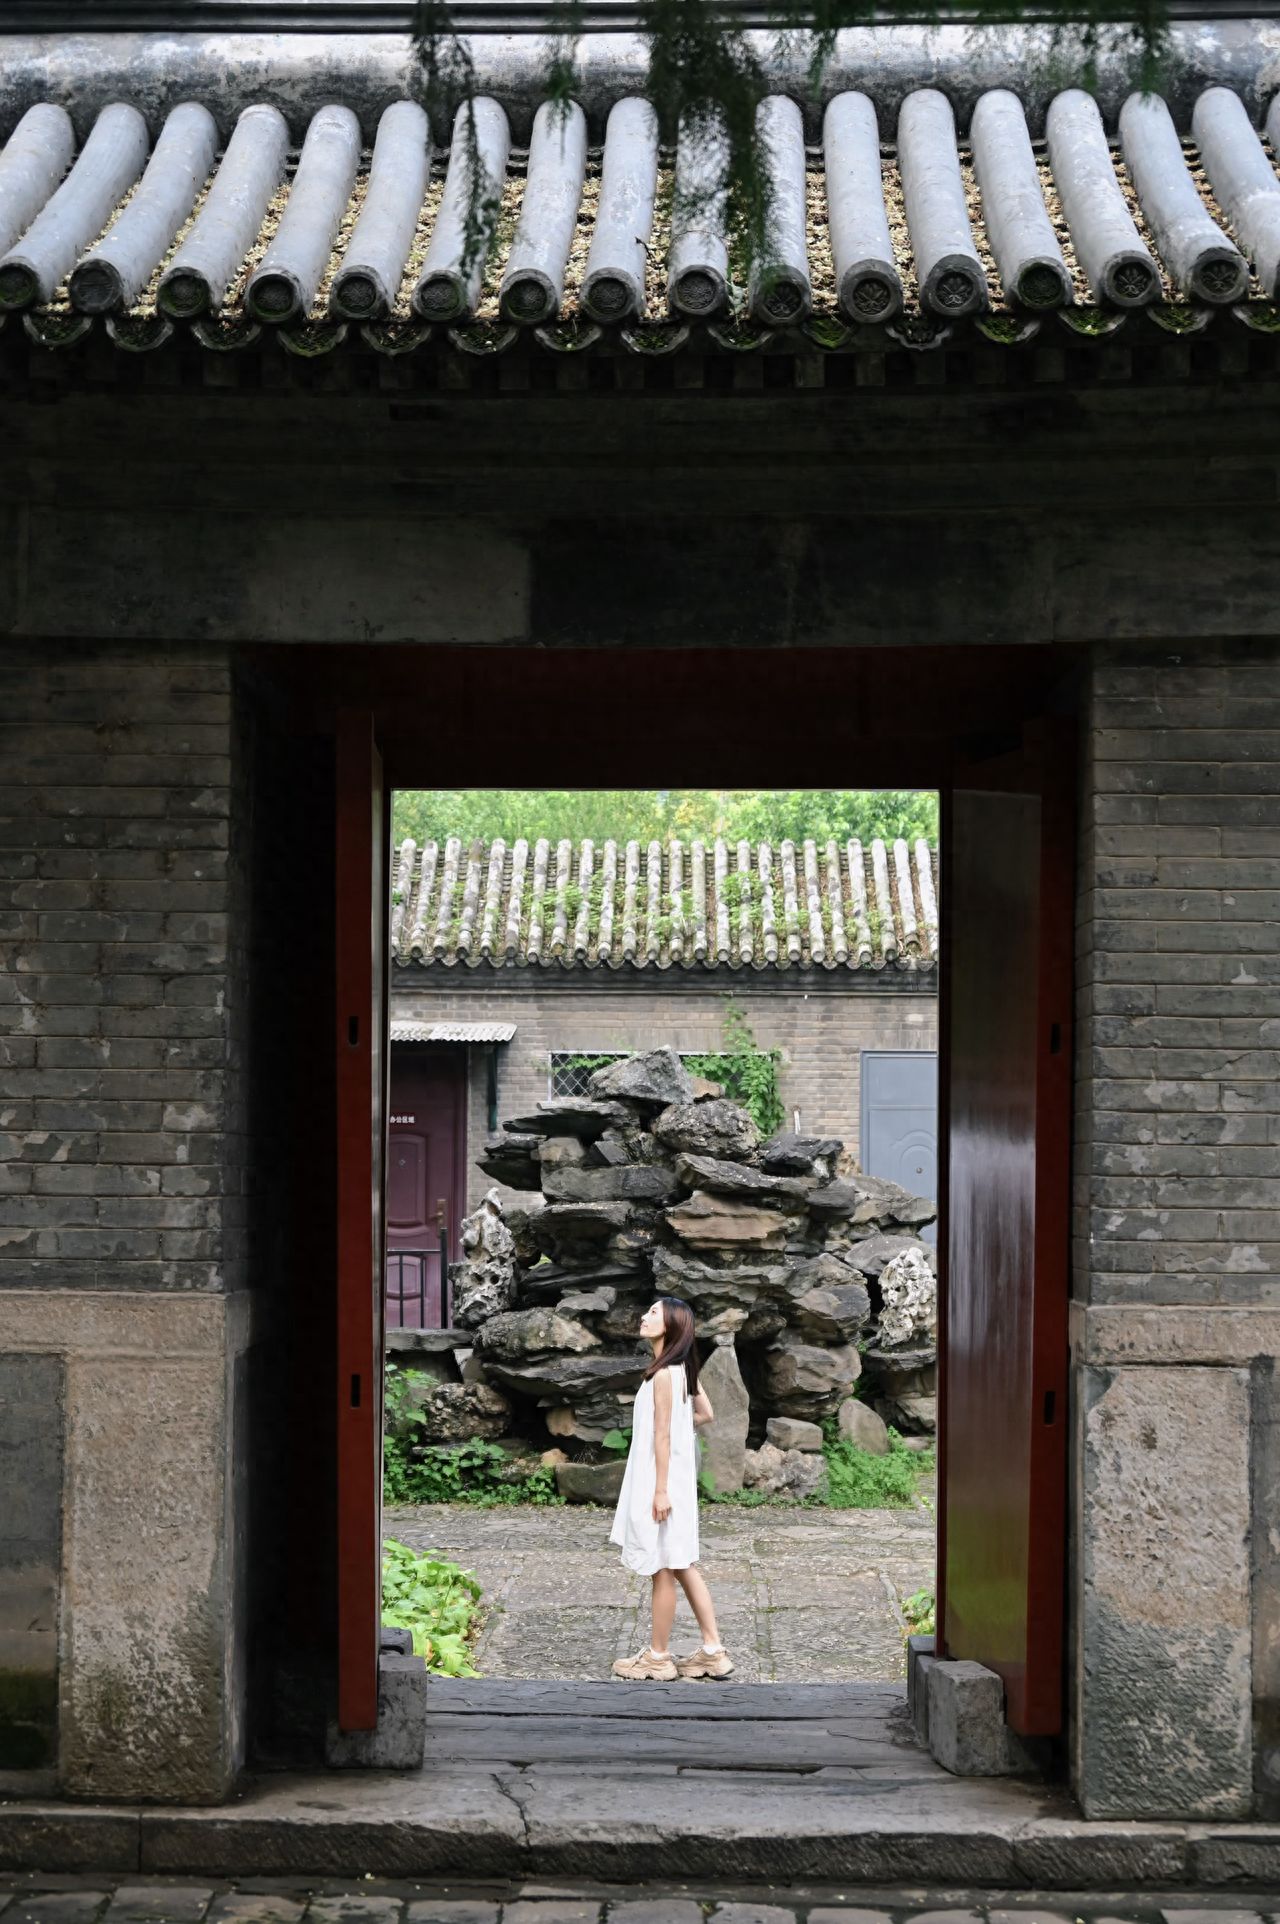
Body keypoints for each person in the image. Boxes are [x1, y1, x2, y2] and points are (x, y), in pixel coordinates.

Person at [608, 1294, 734, 1682]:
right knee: (681, 1562)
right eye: (647, 1310)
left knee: (663, 1566)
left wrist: (660, 1490)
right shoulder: (680, 1370)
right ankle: (713, 1651)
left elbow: (661, 1436)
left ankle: (659, 1657)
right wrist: (679, 1434)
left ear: (672, 1326)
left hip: (660, 1480)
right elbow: (705, 1414)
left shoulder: (663, 1374)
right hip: (674, 1477)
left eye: (653, 1313)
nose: (644, 1317)